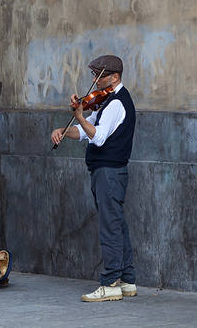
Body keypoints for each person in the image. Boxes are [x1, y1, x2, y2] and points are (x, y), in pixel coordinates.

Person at [50, 54, 137, 302]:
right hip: (107, 172)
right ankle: (128, 281)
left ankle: (110, 283)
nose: (94, 81)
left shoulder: (118, 103)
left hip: (109, 172)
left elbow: (98, 137)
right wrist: (65, 131)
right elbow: (87, 129)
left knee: (110, 227)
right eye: (94, 75)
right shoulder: (106, 101)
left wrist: (78, 117)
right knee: (117, 224)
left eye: (99, 75)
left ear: (115, 77)